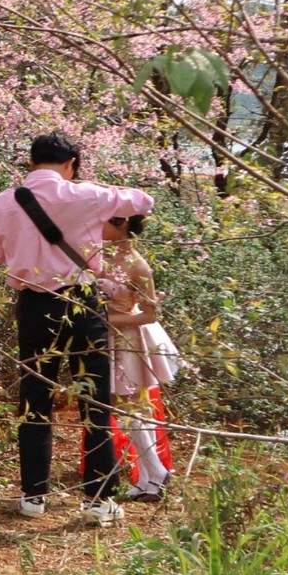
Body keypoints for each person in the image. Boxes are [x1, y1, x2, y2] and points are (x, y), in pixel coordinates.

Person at [0, 132, 152, 527]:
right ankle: (97, 499)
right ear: (71, 162)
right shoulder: (85, 195)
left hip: (34, 303)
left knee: (34, 396)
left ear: (30, 162)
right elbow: (143, 201)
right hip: (81, 301)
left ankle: (33, 496)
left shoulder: (4, 201)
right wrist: (88, 191)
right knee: (95, 397)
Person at [100, 211, 180, 503]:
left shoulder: (138, 265)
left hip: (127, 338)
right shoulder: (100, 256)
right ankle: (149, 477)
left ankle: (156, 473)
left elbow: (150, 313)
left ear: (121, 225)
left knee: (130, 407)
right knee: (128, 408)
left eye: (105, 221)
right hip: (106, 338)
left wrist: (108, 321)